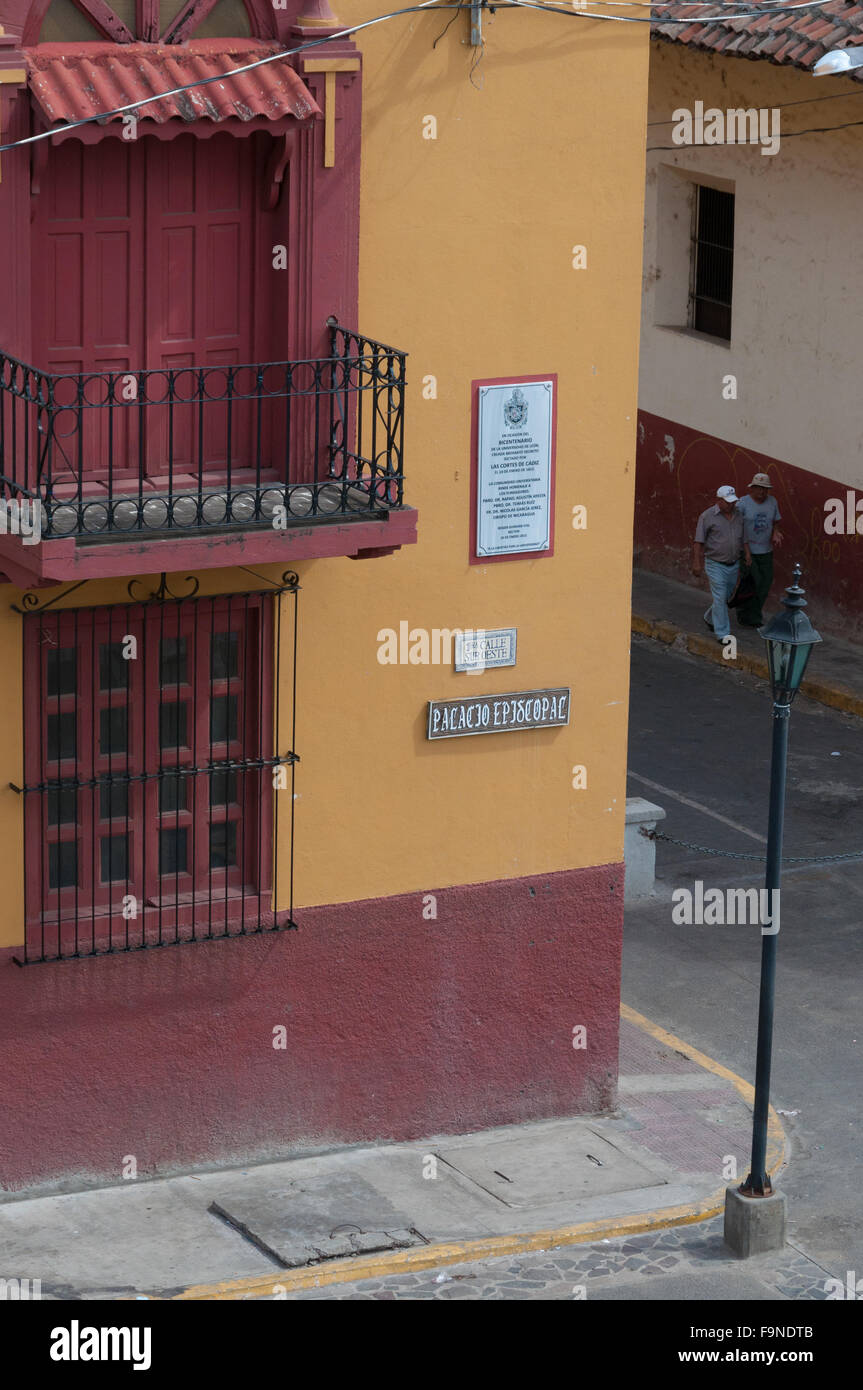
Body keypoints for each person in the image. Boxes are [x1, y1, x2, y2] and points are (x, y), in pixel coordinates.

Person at [691, 485, 745, 642]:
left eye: (733, 502)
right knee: (720, 597)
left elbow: (743, 537)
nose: (731, 505)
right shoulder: (707, 516)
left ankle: (710, 618)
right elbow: (698, 541)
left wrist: (746, 555)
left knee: (725, 597)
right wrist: (696, 562)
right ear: (719, 501)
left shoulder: (739, 515)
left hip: (733, 564)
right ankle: (723, 634)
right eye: (728, 502)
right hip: (715, 564)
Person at [734, 473, 783, 627]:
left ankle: (752, 614)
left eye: (765, 489)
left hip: (765, 550)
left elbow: (776, 521)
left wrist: (776, 532)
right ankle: (746, 615)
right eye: (759, 489)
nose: (762, 493)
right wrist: (744, 551)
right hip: (747, 550)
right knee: (753, 582)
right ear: (752, 488)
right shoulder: (742, 503)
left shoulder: (772, 502)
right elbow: (735, 526)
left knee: (765, 583)